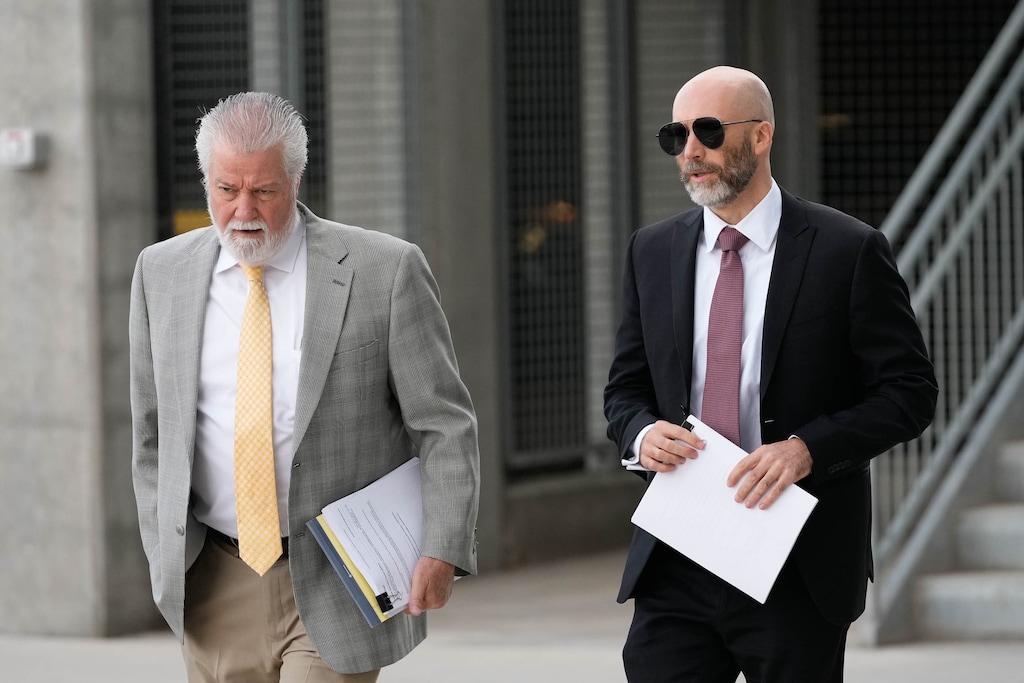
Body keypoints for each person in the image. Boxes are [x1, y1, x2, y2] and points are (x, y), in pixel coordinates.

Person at [129, 91, 480, 682]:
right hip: (214, 576)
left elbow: (443, 423)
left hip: (340, 574)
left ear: (294, 181)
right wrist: (164, 549)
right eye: (226, 189)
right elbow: (150, 431)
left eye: (263, 191)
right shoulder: (161, 273)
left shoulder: (384, 270)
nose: (243, 210)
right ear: (206, 181)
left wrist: (443, 545)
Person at [604, 66, 937, 682]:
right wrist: (641, 434)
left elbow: (909, 393)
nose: (690, 151)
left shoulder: (847, 249)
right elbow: (625, 390)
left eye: (708, 131)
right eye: (676, 135)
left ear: (761, 136)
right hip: (679, 554)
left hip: (796, 562)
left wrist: (807, 449)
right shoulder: (651, 250)